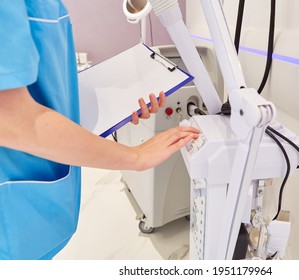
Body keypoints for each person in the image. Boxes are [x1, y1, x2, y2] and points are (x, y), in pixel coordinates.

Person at [0, 1, 199, 260]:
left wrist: (112, 102)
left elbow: (41, 81)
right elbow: (10, 119)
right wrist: (136, 157)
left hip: (32, 212)